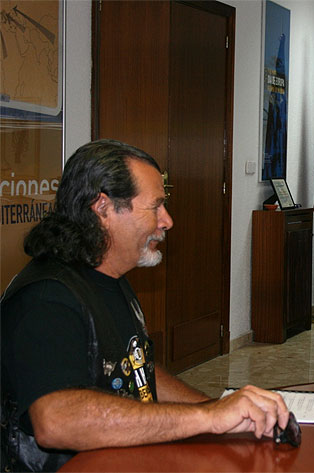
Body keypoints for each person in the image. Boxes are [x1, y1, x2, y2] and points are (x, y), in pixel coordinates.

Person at [1, 140, 290, 472]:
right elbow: (56, 419)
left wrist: (220, 410)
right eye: (156, 206)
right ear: (103, 208)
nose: (167, 220)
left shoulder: (109, 277)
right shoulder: (46, 300)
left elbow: (137, 370)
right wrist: (206, 417)